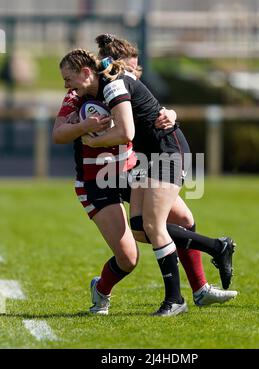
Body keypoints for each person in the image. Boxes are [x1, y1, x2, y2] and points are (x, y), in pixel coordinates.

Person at [58, 48, 237, 316]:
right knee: (130, 255)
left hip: (135, 167)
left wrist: (170, 113)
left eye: (137, 69)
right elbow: (59, 134)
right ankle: (103, 290)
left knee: (179, 220)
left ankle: (198, 288)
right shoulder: (79, 94)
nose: (136, 73)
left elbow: (141, 116)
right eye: (133, 68)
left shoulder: (119, 86)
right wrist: (86, 127)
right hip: (98, 179)